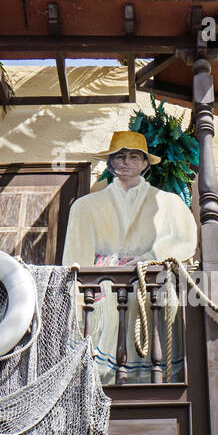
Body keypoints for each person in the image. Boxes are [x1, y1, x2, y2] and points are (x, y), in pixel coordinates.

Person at [63, 130, 198, 383]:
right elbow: (76, 260)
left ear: (145, 164)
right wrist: (83, 293)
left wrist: (153, 255)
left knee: (163, 296)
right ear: (111, 163)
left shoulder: (168, 202)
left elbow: (185, 239)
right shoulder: (85, 206)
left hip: (152, 286)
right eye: (120, 156)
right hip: (106, 289)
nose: (127, 162)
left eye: (134, 156)